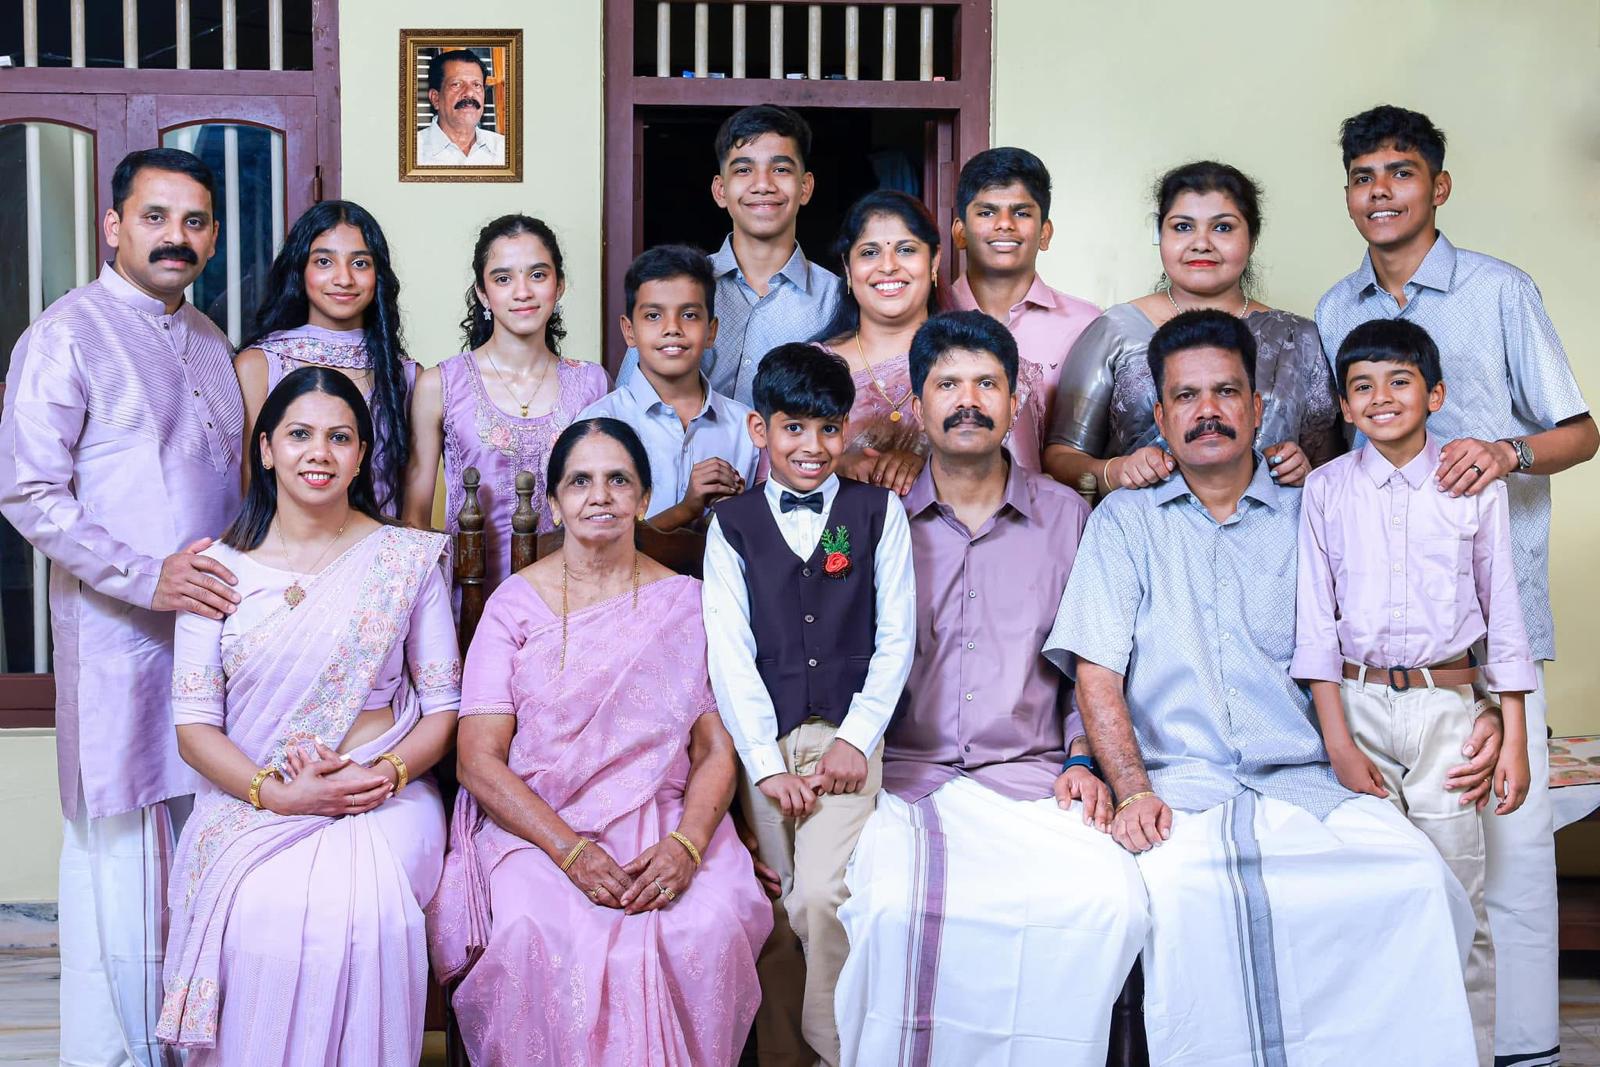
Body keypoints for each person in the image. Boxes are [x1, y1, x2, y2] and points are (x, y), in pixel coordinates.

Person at [1045, 310, 1487, 1066]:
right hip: (1180, 788)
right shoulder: (1123, 521)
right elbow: (1097, 674)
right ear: (1160, 417)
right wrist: (1134, 789)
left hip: (1309, 781)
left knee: (1418, 881)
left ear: (1257, 407)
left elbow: (1405, 623)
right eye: (1186, 397)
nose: (1207, 411)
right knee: (1181, 902)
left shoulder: (1317, 508)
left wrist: (1481, 704)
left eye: (1226, 392)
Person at [1315, 105, 1597, 1067]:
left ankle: (1521, 1046)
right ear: (1348, 194)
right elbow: (1347, 458)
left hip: (1496, 614)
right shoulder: (1336, 308)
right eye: (1363, 176)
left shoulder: (1499, 291)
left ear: (1437, 186)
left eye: (1400, 172)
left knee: (1509, 837)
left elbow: (1580, 430)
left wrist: (1505, 450)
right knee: (1410, 858)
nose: (1381, 190)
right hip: (1388, 637)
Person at [835, 311, 1147, 1066]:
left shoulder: (1069, 517)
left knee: (1108, 901)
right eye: (947, 385)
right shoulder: (872, 520)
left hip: (1036, 778)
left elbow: (1092, 664)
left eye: (987, 384)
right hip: (904, 780)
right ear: (917, 405)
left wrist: (1083, 757)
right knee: (889, 910)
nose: (967, 401)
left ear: (1016, 402)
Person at [0, 147, 242, 1067]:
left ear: (212, 237)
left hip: (214, 638)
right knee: (120, 869)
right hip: (118, 640)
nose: (176, 237)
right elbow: (29, 491)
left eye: (195, 221)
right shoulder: (66, 334)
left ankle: (192, 1048)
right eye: (155, 217)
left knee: (202, 848)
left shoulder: (210, 337)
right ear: (114, 225)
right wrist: (147, 577)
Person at [426, 418, 770, 1064]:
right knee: (531, 928)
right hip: (538, 828)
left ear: (644, 497)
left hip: (667, 818)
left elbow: (715, 749)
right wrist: (570, 851)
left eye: (618, 480)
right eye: (580, 481)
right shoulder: (512, 606)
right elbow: (477, 761)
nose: (600, 496)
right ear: (555, 503)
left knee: (710, 921)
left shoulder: (690, 604)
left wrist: (688, 846)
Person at [158, 367, 458, 1064]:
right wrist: (275, 793)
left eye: (339, 437)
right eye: (298, 434)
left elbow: (443, 710)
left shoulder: (405, 560)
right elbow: (194, 730)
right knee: (259, 910)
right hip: (252, 799)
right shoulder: (216, 570)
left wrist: (380, 774)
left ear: (360, 455)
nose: (318, 452)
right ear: (266, 449)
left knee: (364, 912)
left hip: (381, 795)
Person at [1292, 318, 1534, 1065]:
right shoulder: (1326, 490)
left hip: (1445, 713)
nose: (1381, 397)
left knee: (1459, 896)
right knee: (1369, 896)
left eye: (1400, 381)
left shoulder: (1474, 487)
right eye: (1362, 386)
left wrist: (1515, 737)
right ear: (1344, 406)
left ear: (1436, 394)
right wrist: (1337, 741)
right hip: (1356, 711)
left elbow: (1504, 615)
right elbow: (1315, 628)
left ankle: (1468, 1053)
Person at [702, 344, 915, 1066]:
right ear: (759, 429)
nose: (813, 446)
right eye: (793, 428)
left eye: (828, 429)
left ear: (845, 429)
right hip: (761, 740)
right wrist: (763, 765)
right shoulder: (731, 525)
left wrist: (858, 737)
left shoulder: (878, 512)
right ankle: (782, 1056)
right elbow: (730, 653)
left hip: (846, 740)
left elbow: (897, 637)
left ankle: (837, 1052)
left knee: (822, 896)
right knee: (771, 905)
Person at [1045, 161, 1341, 494]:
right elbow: (1060, 457)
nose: (1201, 243)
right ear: (1161, 235)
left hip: (1275, 523)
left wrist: (1304, 469)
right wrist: (1115, 470)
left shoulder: (1297, 338)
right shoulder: (1115, 331)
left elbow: (1335, 465)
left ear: (1253, 237)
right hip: (1142, 522)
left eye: (1223, 227)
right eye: (1183, 227)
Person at [405, 214, 607, 589]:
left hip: (569, 593)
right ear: (483, 293)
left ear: (559, 285)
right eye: (503, 279)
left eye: (538, 275)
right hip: (468, 597)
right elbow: (415, 522)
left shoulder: (592, 384)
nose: (522, 292)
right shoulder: (440, 385)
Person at [619, 104, 841, 404]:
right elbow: (629, 402)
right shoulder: (679, 288)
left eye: (780, 169)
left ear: (805, 187)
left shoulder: (835, 300)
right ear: (720, 190)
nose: (762, 185)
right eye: (744, 170)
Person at [236, 199, 414, 515]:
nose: (344, 278)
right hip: (283, 542)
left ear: (379, 274)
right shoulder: (260, 365)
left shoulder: (404, 374)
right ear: (299, 269)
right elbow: (250, 487)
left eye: (360, 263)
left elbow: (412, 504)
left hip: (380, 542)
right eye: (323, 261)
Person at [580, 244, 763, 531]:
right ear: (629, 330)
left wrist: (738, 510)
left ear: (711, 331)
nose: (672, 328)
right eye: (653, 316)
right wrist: (688, 508)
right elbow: (593, 541)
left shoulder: (745, 428)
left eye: (689, 315)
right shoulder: (598, 424)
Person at [946, 147, 1101, 471]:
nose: (1005, 224)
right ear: (960, 233)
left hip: (1054, 499)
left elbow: (1093, 443)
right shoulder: (931, 316)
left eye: (1021, 213)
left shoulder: (1086, 324)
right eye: (987, 212)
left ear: (1045, 233)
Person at [813, 189, 941, 496]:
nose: (888, 266)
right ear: (847, 268)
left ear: (934, 261)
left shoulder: (969, 363)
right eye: (870, 252)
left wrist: (931, 467)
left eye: (906, 250)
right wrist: (836, 467)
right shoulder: (811, 370)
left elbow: (1005, 475)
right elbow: (772, 484)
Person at [416, 49, 505, 166]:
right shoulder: (411, 153)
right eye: (456, 84)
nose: (469, 93)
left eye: (476, 85)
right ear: (435, 98)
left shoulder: (504, 150)